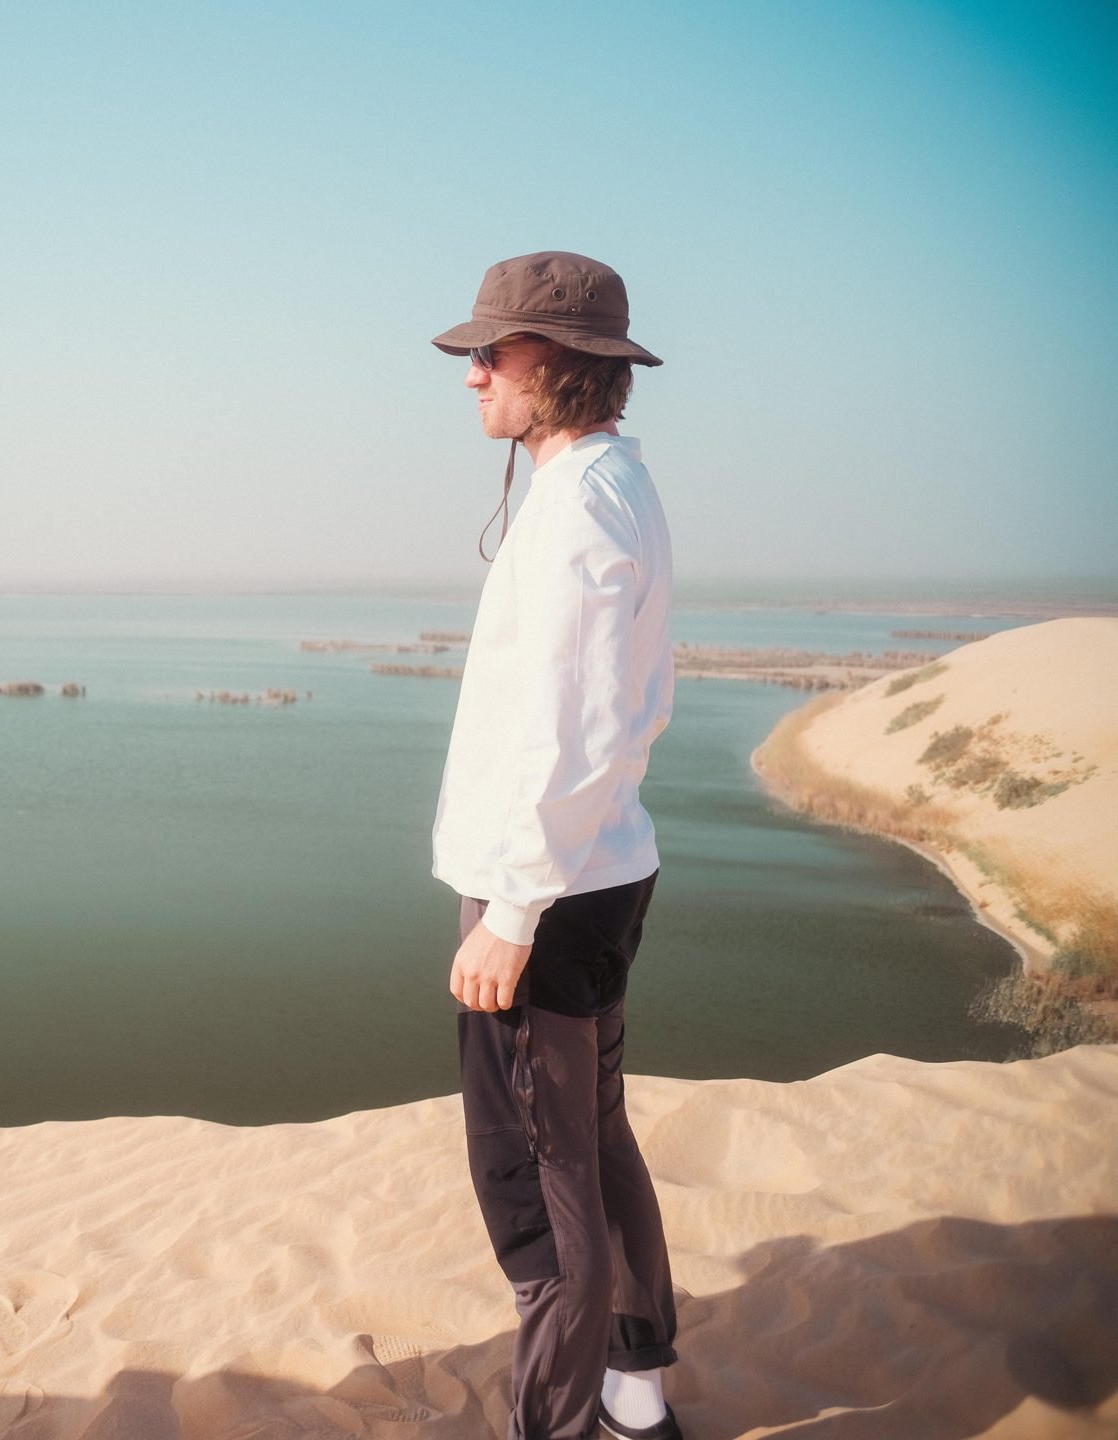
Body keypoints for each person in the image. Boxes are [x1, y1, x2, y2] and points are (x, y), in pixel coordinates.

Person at [429, 253, 681, 1440]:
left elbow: (576, 732)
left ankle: (560, 1425)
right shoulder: (609, 484)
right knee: (592, 1136)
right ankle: (636, 1392)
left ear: (563, 367)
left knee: (538, 1181)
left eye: (498, 351)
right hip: (599, 868)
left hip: (550, 890)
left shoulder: (582, 505)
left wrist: (511, 914)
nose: (474, 371)